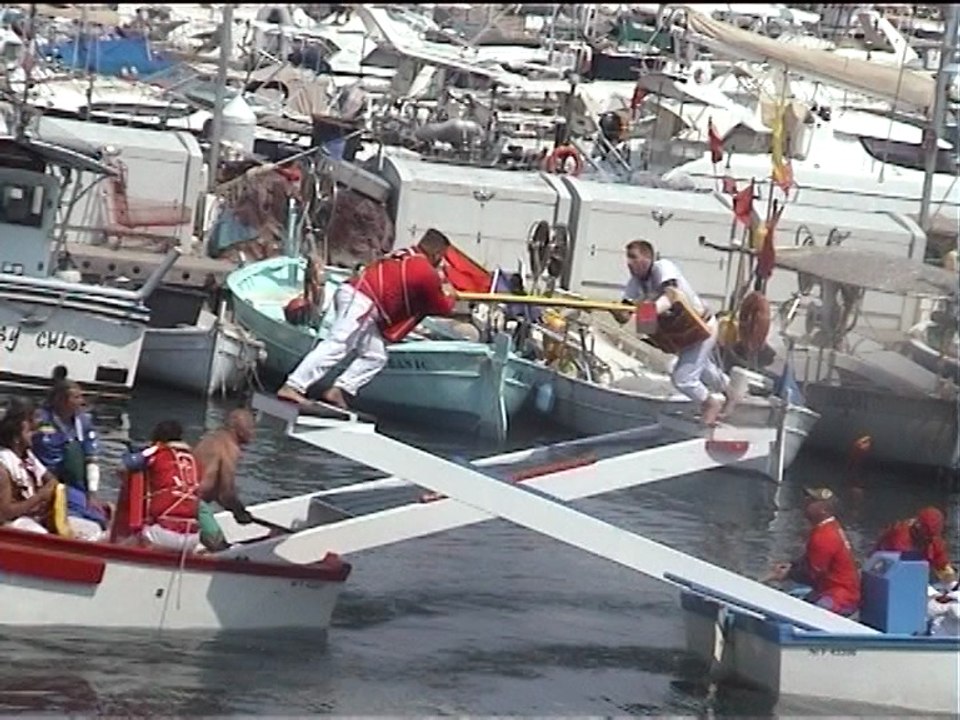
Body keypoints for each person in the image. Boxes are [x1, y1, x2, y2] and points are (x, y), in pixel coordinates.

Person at [277, 229, 459, 409]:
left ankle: (340, 390)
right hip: (363, 301)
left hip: (357, 296)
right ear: (437, 254)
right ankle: (293, 386)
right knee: (338, 344)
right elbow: (441, 307)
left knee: (375, 356)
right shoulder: (425, 271)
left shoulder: (404, 253)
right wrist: (451, 294)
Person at [612, 239, 729, 425]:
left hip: (702, 327)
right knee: (705, 371)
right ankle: (733, 392)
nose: (629, 263)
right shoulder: (635, 283)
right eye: (628, 258)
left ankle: (710, 403)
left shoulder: (662, 267)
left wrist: (644, 311)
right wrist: (616, 311)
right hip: (684, 332)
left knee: (683, 378)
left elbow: (670, 296)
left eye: (633, 257)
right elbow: (626, 315)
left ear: (647, 258)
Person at [0, 398, 104, 540]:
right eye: (29, 432)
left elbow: (52, 481)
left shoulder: (28, 457)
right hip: (13, 523)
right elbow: (5, 513)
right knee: (43, 536)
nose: (34, 435)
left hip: (36, 516)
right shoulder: (4, 466)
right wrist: (39, 497)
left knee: (93, 530)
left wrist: (45, 498)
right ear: (16, 437)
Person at [121, 420, 213, 553]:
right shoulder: (194, 459)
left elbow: (127, 464)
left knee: (127, 541)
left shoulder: (158, 453)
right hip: (192, 537)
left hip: (164, 534)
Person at [767, 487, 861, 616]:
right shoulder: (829, 527)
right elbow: (810, 560)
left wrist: (787, 574)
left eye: (812, 501)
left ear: (823, 510)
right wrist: (791, 565)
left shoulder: (824, 536)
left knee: (809, 614)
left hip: (840, 596)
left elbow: (812, 574)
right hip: (832, 590)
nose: (806, 502)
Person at [32, 379, 109, 531]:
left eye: (81, 397)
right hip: (45, 480)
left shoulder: (83, 423)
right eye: (76, 397)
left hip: (74, 483)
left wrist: (92, 493)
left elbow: (91, 459)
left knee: (99, 516)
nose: (81, 402)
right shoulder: (40, 419)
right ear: (60, 399)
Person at [193, 408, 258, 546]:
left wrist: (235, 510)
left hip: (187, 499)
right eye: (250, 427)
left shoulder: (212, 439)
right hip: (194, 503)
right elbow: (226, 492)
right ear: (236, 428)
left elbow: (215, 490)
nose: (253, 433)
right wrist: (239, 511)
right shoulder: (229, 446)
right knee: (219, 548)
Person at [874, 507, 957, 584]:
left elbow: (942, 565)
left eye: (931, 537)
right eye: (926, 536)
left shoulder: (934, 540)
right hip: (886, 571)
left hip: (914, 572)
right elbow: (905, 570)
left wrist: (952, 583)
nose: (929, 539)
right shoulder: (900, 536)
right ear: (917, 526)